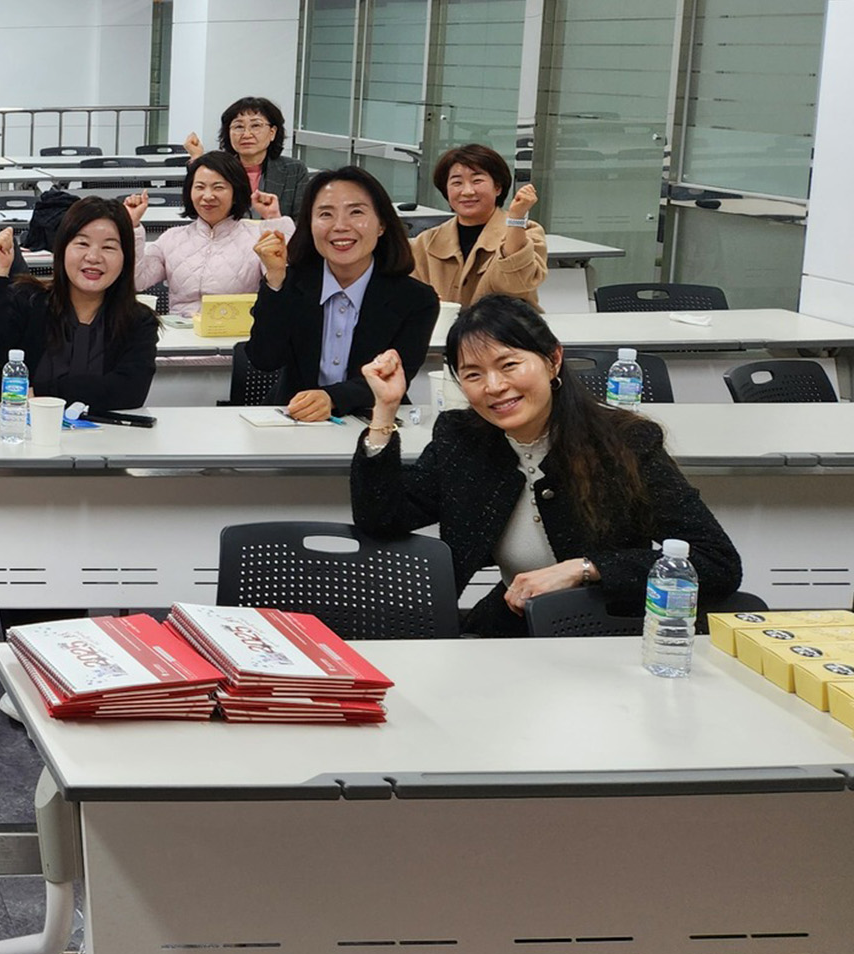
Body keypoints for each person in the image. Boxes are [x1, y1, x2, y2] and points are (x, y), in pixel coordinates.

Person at [350, 295, 741, 636]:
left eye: (509, 365)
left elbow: (716, 562)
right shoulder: (462, 438)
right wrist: (384, 410)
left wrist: (587, 568)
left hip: (607, 635)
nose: (493, 386)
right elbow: (382, 518)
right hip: (513, 628)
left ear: (553, 360)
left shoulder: (625, 443)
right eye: (473, 374)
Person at [246, 164, 438, 421]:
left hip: (373, 419)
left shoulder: (416, 299)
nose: (340, 226)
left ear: (381, 224)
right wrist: (275, 279)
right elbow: (264, 359)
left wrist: (332, 398)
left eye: (356, 212)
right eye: (326, 214)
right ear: (310, 224)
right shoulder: (291, 283)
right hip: (294, 421)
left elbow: (395, 375)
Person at [0, 198, 160, 411]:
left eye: (109, 247)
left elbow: (130, 390)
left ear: (126, 258)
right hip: (19, 427)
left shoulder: (138, 321)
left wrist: (42, 393)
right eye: (82, 244)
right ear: (62, 249)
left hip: (104, 432)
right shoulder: (29, 301)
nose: (93, 257)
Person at [132, 150, 297, 317]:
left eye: (218, 187)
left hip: (236, 329)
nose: (208, 196)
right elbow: (138, 280)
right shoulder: (172, 238)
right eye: (199, 187)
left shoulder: (256, 237)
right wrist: (132, 227)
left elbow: (283, 284)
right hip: (180, 330)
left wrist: (274, 219)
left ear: (235, 193)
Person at [410, 144, 547, 307]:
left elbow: (516, 284)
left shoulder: (528, 231)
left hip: (503, 323)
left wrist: (516, 218)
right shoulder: (425, 242)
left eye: (477, 181)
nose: (467, 191)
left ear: (497, 187)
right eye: (457, 183)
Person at [185, 97, 313, 220]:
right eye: (239, 127)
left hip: (275, 234)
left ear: (272, 133)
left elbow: (301, 221)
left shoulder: (294, 170)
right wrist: (197, 159)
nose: (246, 134)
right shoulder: (219, 169)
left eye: (255, 126)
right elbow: (197, 214)